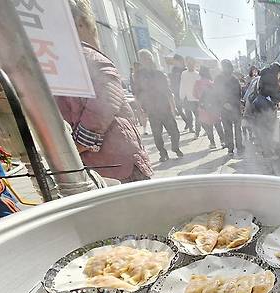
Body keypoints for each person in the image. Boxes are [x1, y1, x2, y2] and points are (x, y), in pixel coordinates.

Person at [58, 0, 152, 183]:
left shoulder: (83, 57)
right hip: (107, 164)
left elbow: (106, 99)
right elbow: (104, 101)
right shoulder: (70, 57)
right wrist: (73, 147)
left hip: (112, 161)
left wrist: (74, 146)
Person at [133, 49, 183, 161]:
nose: (147, 60)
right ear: (141, 61)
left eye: (149, 57)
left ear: (152, 59)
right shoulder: (139, 76)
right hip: (151, 109)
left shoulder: (159, 73)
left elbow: (168, 91)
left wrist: (173, 107)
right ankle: (163, 153)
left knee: (174, 131)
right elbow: (137, 93)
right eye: (144, 58)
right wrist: (140, 110)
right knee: (157, 134)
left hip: (165, 107)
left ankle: (175, 147)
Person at [215, 60, 244, 156]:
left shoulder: (219, 78)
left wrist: (223, 103)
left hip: (228, 107)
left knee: (229, 129)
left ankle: (232, 148)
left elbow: (216, 94)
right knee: (235, 128)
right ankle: (236, 147)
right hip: (232, 107)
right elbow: (238, 94)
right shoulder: (233, 79)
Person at [194, 66, 224, 150]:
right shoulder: (211, 82)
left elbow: (194, 94)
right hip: (214, 107)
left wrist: (201, 98)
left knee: (208, 126)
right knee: (218, 124)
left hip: (203, 107)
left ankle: (212, 143)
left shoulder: (197, 83)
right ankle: (222, 141)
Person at [180, 57, 201, 136]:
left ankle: (197, 132)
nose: (190, 65)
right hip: (187, 98)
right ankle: (191, 128)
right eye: (188, 64)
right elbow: (182, 85)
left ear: (195, 64)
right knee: (188, 115)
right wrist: (181, 97)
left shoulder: (198, 74)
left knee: (198, 117)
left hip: (196, 100)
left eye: (192, 63)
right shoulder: (184, 73)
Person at [169, 54, 188, 125]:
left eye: (175, 61)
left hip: (185, 92)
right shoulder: (174, 69)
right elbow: (172, 80)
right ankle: (187, 122)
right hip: (176, 92)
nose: (174, 62)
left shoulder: (185, 69)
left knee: (187, 109)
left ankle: (190, 124)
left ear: (179, 60)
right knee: (179, 109)